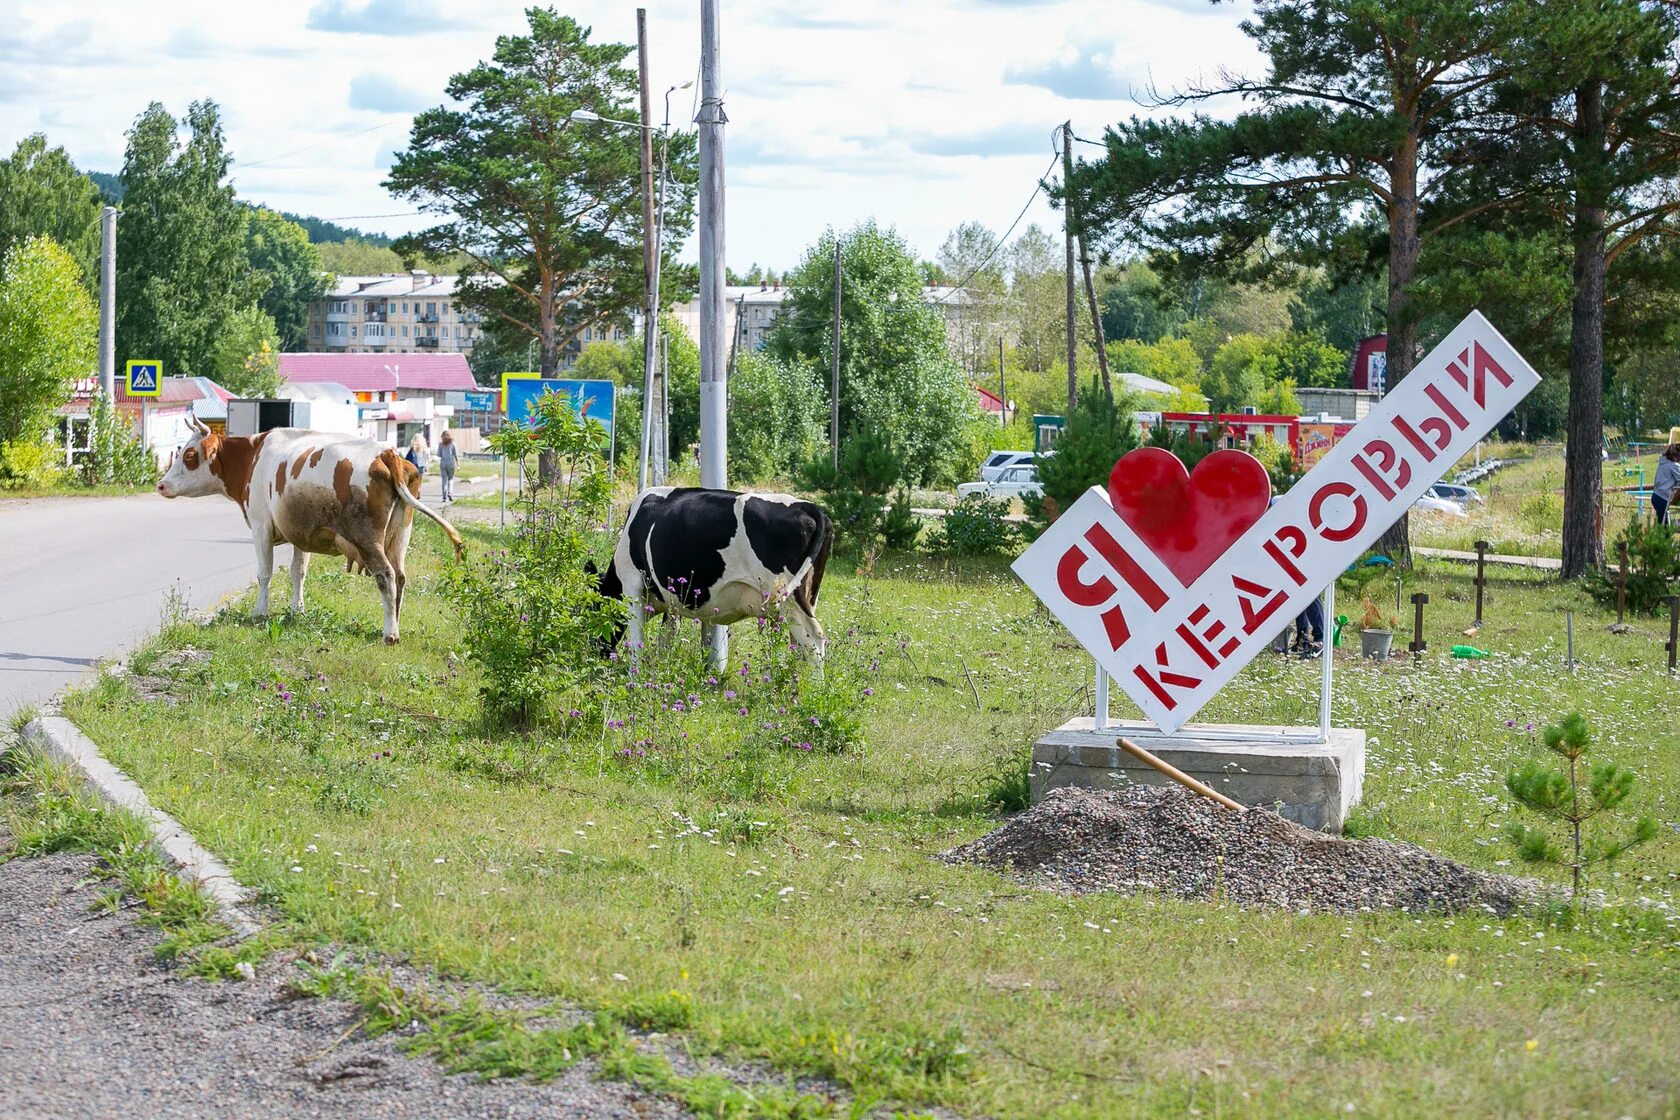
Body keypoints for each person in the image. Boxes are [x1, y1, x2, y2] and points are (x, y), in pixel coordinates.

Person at [1655, 438, 1680, 526]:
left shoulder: (1663, 463)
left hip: (1656, 496)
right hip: (1663, 497)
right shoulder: (1674, 465)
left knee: (1662, 524)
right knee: (1664, 528)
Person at [437, 431, 458, 503]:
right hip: (451, 463)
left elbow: (439, 454)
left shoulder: (440, 444)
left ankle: (444, 497)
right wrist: (458, 464)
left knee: (444, 480)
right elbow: (456, 455)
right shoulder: (453, 444)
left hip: (443, 463)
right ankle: (450, 493)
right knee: (451, 479)